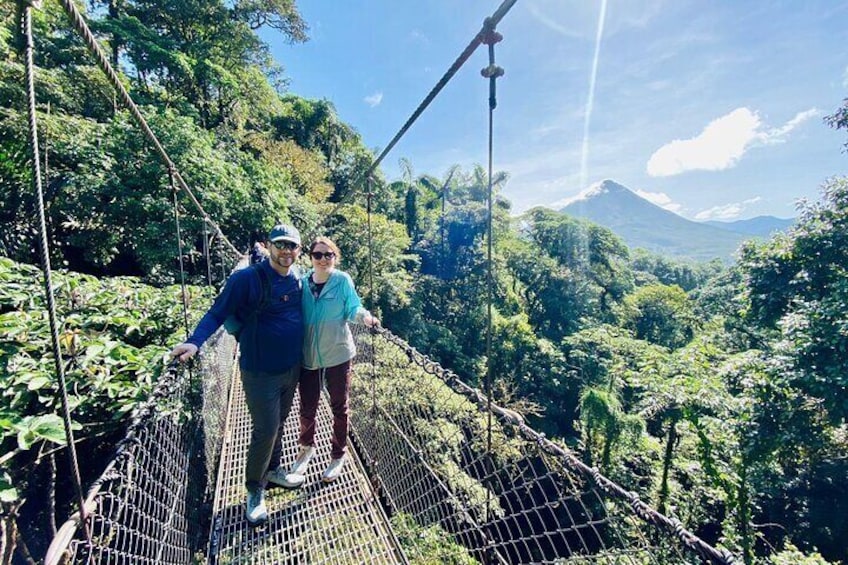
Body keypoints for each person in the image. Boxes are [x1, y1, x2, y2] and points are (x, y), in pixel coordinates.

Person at [170, 223, 304, 526]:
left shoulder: (298, 279)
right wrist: (195, 340)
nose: (286, 251)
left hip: (291, 367)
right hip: (259, 371)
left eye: (292, 246)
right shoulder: (246, 279)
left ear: (299, 250)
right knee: (265, 430)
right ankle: (254, 490)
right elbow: (217, 312)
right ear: (268, 246)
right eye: (280, 244)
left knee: (280, 422)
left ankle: (272, 470)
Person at [282, 236, 379, 487]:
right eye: (318, 255)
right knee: (307, 407)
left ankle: (338, 455)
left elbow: (353, 308)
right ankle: (306, 449)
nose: (323, 259)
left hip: (338, 352)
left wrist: (366, 317)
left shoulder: (342, 280)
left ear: (335, 257)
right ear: (310, 257)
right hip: (309, 355)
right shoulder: (301, 284)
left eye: (329, 255)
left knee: (339, 407)